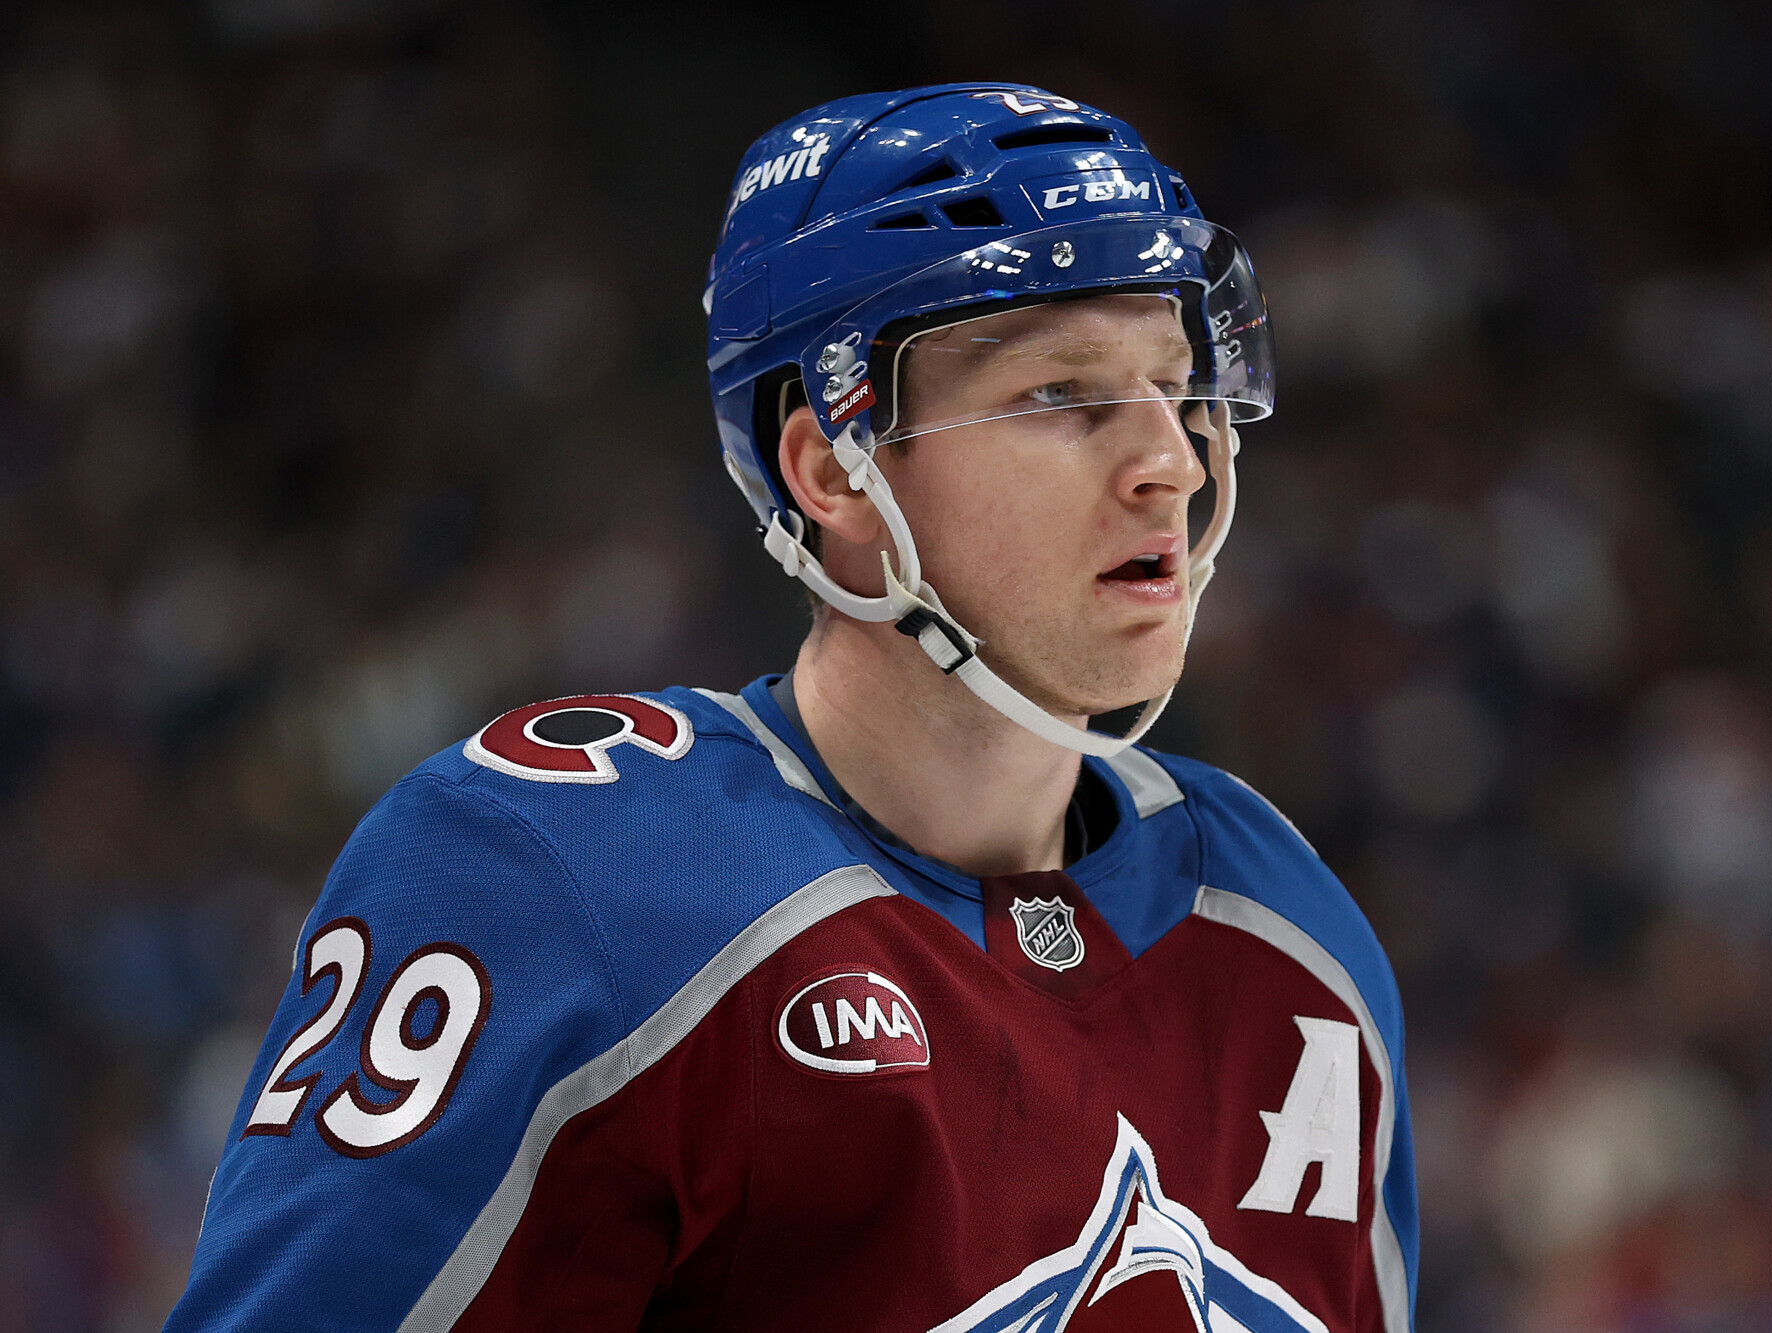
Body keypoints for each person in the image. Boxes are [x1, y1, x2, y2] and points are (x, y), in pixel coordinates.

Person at [167, 83, 1418, 1332]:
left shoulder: (1288, 933)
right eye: (1061, 394)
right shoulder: (562, 872)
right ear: (833, 469)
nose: (1171, 462)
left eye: (1177, 386)